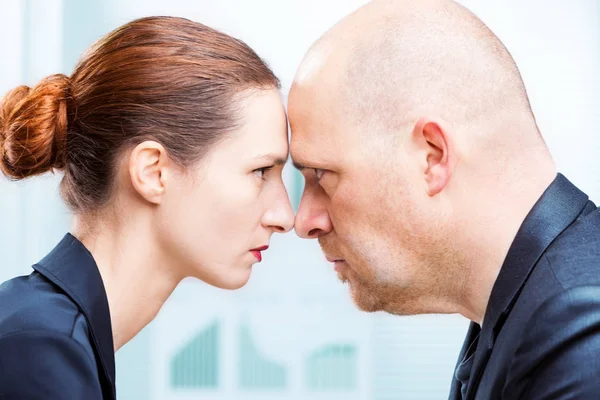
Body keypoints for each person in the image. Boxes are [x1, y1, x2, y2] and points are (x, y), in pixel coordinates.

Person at [288, 0, 600, 398]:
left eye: (321, 175)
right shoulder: (522, 309)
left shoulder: (581, 334)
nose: (305, 220)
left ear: (432, 156)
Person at [0, 16, 293, 399]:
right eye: (260, 171)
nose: (285, 217)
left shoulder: (49, 337)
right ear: (153, 172)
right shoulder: (41, 352)